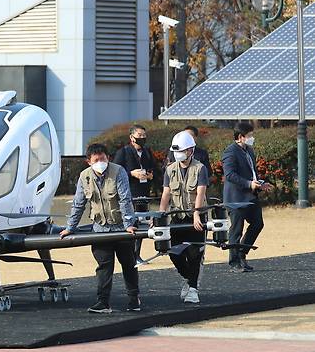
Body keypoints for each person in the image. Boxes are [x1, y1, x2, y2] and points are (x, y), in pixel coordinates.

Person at [60, 143, 140, 313]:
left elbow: (125, 200)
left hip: (121, 228)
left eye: (103, 158)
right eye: (96, 160)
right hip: (100, 229)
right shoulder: (84, 177)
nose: (100, 162)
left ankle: (134, 299)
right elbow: (78, 204)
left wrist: (129, 225)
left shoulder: (118, 171)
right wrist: (70, 227)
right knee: (104, 266)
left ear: (108, 158)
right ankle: (103, 302)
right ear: (88, 162)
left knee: (128, 263)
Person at [159, 131, 209, 304]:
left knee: (194, 253)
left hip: (195, 216)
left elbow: (200, 193)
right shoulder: (170, 170)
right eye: (176, 151)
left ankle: (193, 289)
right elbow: (166, 194)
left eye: (182, 151)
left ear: (190, 151)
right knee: (173, 252)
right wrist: (160, 216)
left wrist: (196, 214)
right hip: (177, 216)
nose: (178, 154)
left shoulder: (200, 168)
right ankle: (189, 279)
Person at [222, 122, 272, 273]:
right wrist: (248, 184)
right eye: (249, 136)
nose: (252, 138)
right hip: (235, 198)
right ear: (240, 137)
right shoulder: (230, 152)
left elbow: (252, 172)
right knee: (236, 230)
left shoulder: (249, 150)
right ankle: (234, 261)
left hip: (250, 197)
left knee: (257, 224)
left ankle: (242, 254)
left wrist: (260, 183)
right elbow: (230, 175)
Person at [113, 124, 160, 264]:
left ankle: (137, 254)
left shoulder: (147, 151)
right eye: (139, 135)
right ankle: (129, 256)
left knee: (141, 224)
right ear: (131, 137)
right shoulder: (124, 151)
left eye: (144, 136)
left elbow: (155, 168)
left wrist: (151, 174)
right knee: (130, 223)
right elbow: (115, 171)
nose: (142, 138)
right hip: (129, 193)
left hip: (143, 192)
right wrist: (131, 173)